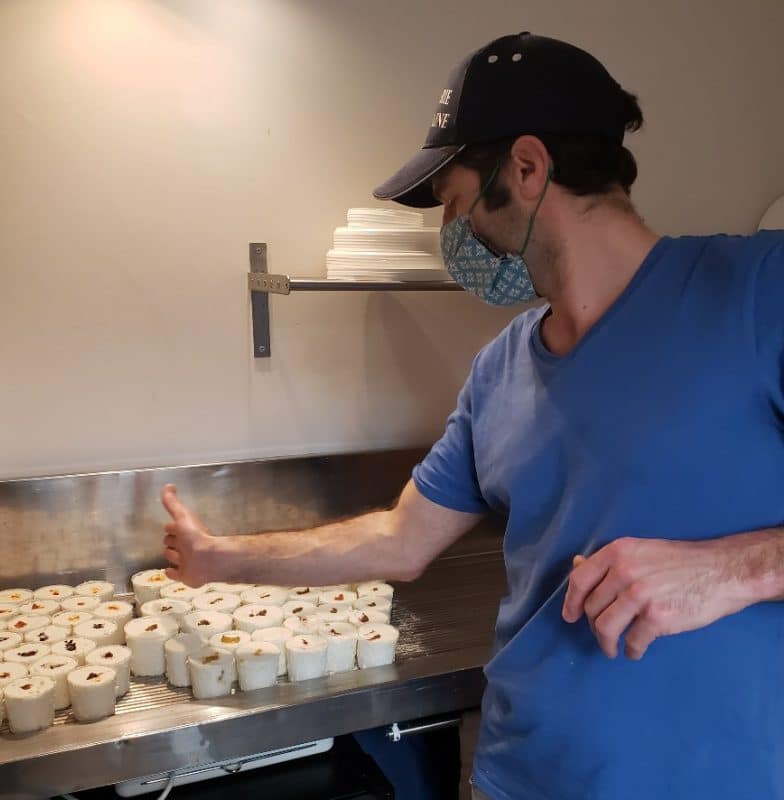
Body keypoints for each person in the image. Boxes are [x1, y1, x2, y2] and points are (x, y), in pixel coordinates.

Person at [161, 32, 784, 800]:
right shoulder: (502, 369)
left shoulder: (757, 292)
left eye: (455, 203)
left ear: (526, 168)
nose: (452, 237)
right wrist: (222, 557)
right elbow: (398, 539)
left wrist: (733, 570)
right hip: (515, 775)